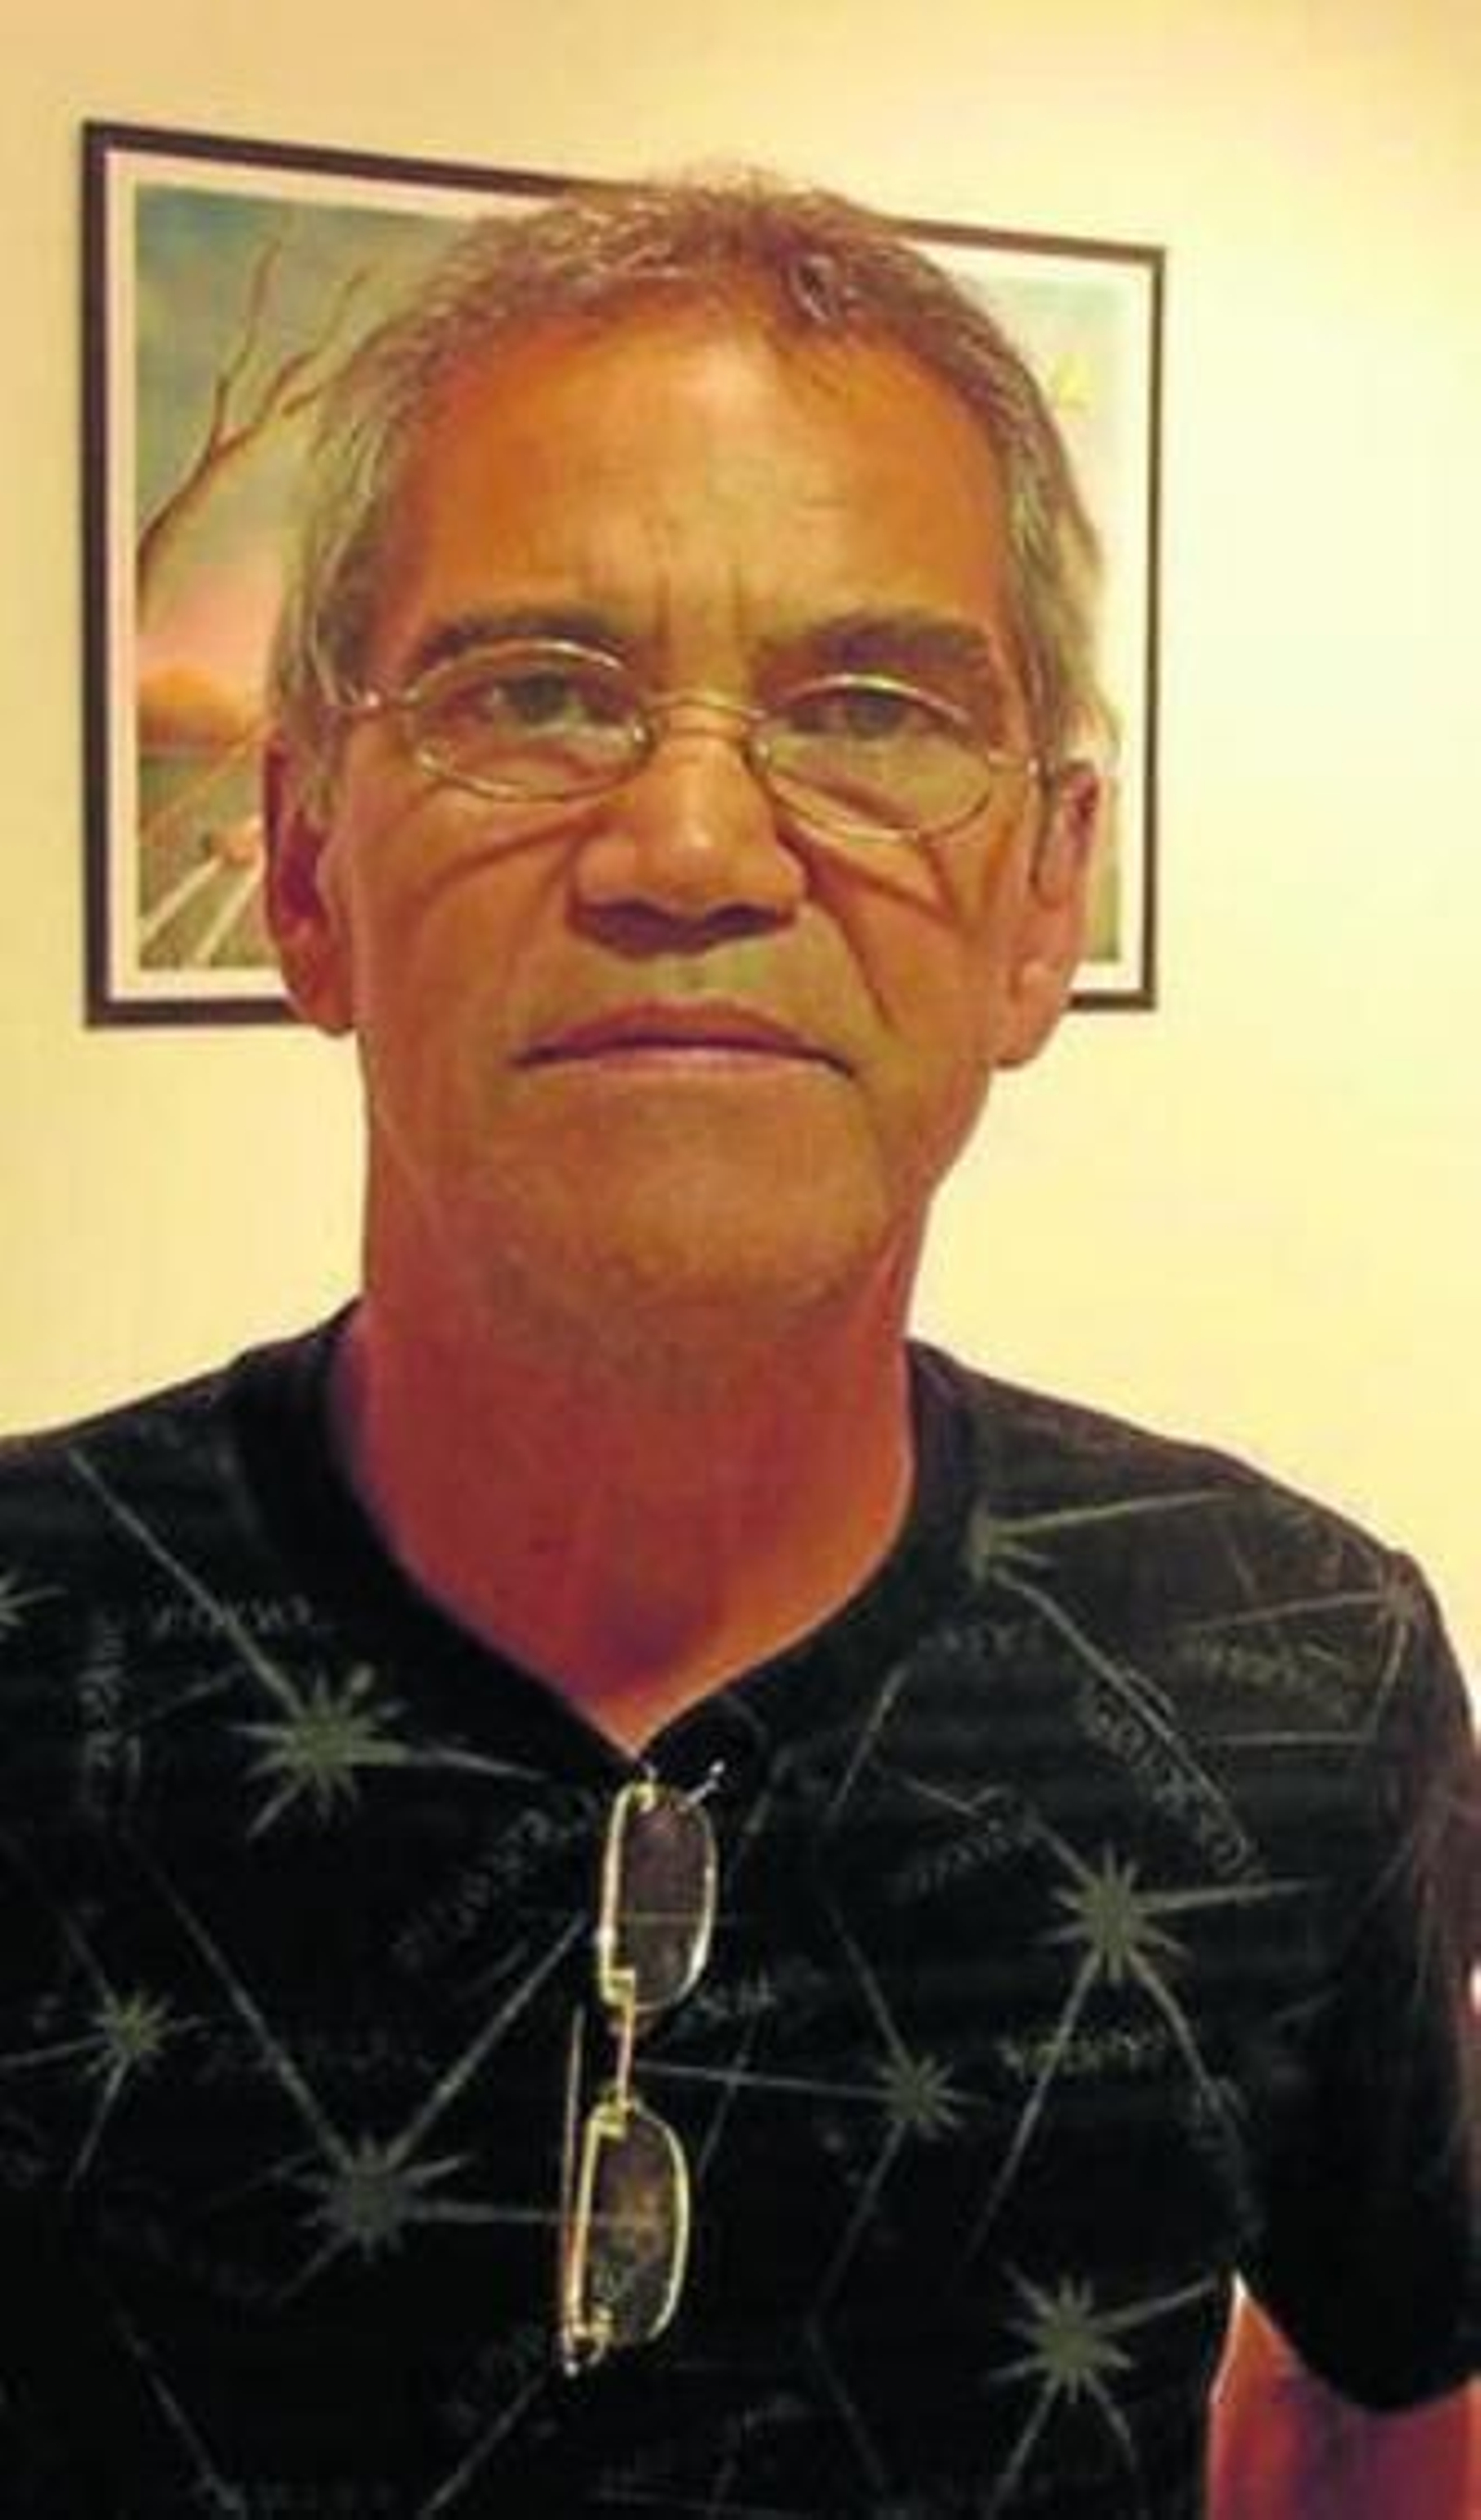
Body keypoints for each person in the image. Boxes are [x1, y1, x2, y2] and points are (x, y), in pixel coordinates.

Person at [0, 176, 1474, 2518]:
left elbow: (1395, 2378)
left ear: (1042, 897)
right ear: (299, 864)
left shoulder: (1289, 1667)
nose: (687, 843)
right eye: (531, 692)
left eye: (868, 708)